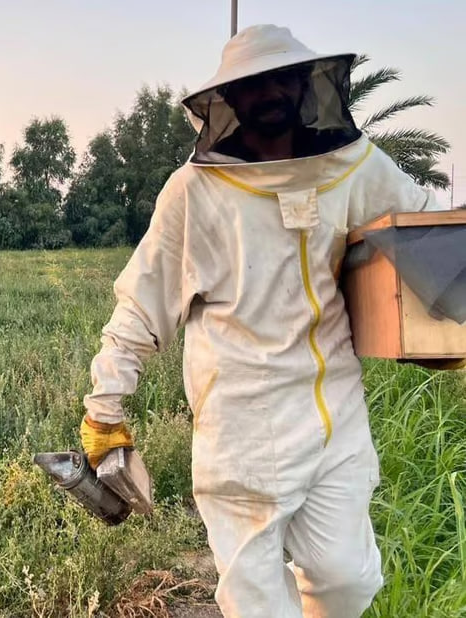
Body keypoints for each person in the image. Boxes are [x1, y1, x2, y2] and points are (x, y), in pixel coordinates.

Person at [79, 24, 462, 617]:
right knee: (256, 604)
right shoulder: (195, 190)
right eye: (252, 86)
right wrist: (105, 406)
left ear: (307, 86)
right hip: (241, 426)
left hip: (334, 412)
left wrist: (454, 317)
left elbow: (429, 228)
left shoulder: (354, 167)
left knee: (348, 581)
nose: (269, 93)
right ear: (228, 102)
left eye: (281, 79)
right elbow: (142, 302)